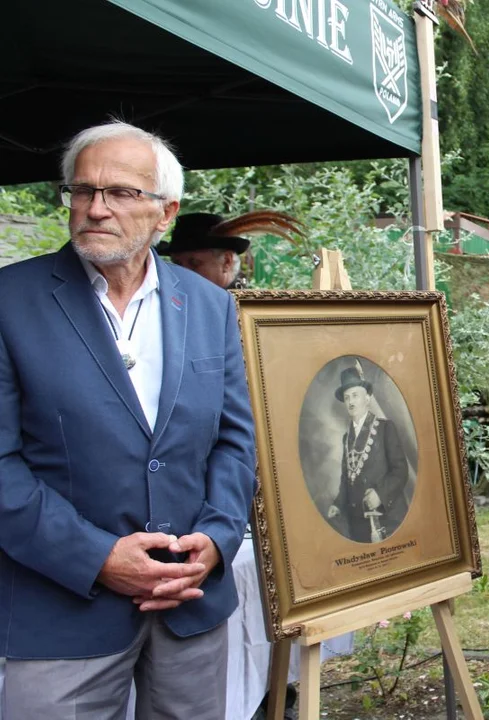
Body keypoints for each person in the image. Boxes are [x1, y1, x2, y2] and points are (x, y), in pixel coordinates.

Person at [0, 121, 257, 718]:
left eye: (120, 193)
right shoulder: (11, 302)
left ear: (165, 212)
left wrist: (217, 541)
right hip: (61, 613)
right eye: (82, 191)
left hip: (187, 607)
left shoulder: (210, 306)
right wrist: (97, 558)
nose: (95, 208)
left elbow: (234, 443)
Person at [327, 362, 409, 543]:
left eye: (355, 395)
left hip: (387, 519)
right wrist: (338, 504)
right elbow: (347, 478)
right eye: (347, 397)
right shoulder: (346, 438)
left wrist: (380, 494)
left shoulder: (385, 429)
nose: (350, 401)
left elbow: (400, 471)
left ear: (368, 398)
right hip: (359, 526)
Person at [158, 210, 303, 289]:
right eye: (177, 264)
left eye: (194, 263)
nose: (182, 272)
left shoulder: (244, 310)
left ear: (227, 262)